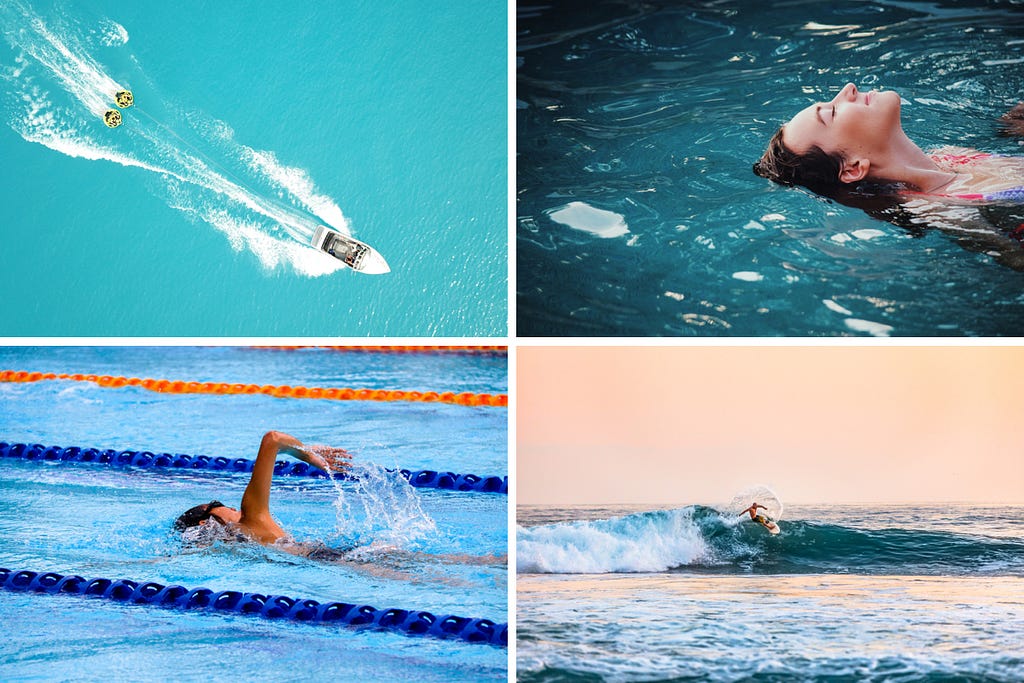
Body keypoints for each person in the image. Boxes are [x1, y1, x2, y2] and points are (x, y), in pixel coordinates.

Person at [753, 84, 1024, 267]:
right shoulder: (943, 207)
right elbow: (1015, 259)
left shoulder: (950, 155)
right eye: (832, 112)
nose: (848, 88)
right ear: (852, 169)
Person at [174, 430, 351, 550]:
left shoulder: (238, 547)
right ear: (205, 523)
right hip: (336, 558)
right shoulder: (249, 517)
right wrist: (308, 455)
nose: (233, 508)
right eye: (218, 504)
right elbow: (273, 439)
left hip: (328, 561)